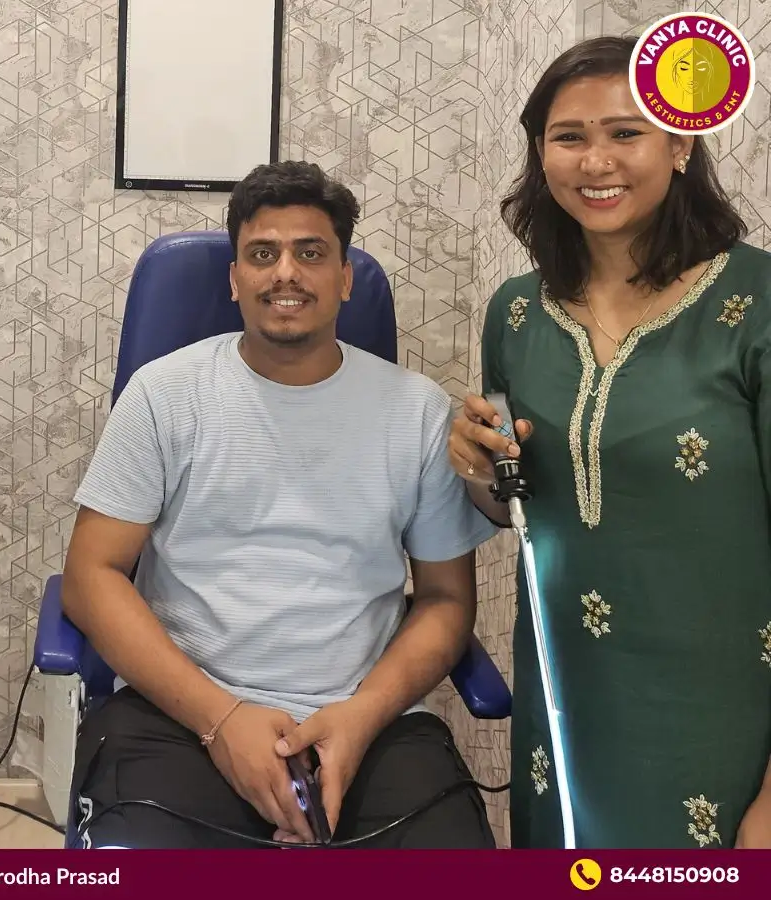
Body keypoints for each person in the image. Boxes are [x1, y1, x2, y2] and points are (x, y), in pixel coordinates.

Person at [60, 160, 499, 849]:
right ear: (235, 280)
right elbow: (91, 578)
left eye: (311, 253)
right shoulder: (164, 394)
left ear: (346, 277)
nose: (286, 272)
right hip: (182, 716)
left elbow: (446, 600)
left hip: (368, 723)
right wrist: (221, 719)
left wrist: (357, 719)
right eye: (262, 254)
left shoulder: (416, 412)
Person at [448, 36, 771, 849]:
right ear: (539, 152)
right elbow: (521, 509)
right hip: (567, 709)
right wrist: (479, 472)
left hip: (724, 722)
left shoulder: (756, 304)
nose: (597, 161)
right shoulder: (517, 314)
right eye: (569, 137)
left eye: (626, 132)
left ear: (680, 141)